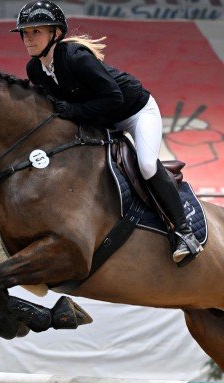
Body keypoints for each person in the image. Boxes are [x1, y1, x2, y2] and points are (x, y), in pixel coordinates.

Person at [12, 0, 202, 264]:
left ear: (56, 34)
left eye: (36, 31)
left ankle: (184, 232)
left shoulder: (76, 57)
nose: (28, 38)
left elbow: (113, 98)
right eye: (25, 33)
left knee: (146, 164)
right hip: (101, 119)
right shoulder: (35, 69)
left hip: (135, 112)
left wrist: (73, 111)